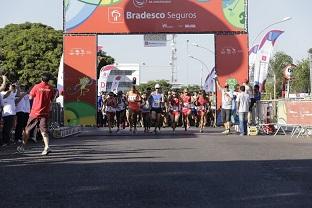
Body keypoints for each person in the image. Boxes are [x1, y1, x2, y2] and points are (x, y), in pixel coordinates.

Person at [17, 72, 55, 155]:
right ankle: (47, 146)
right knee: (43, 130)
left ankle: (23, 146)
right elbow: (52, 99)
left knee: (27, 129)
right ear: (48, 80)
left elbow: (30, 97)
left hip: (35, 112)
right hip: (45, 112)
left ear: (41, 79)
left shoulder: (36, 87)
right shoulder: (51, 88)